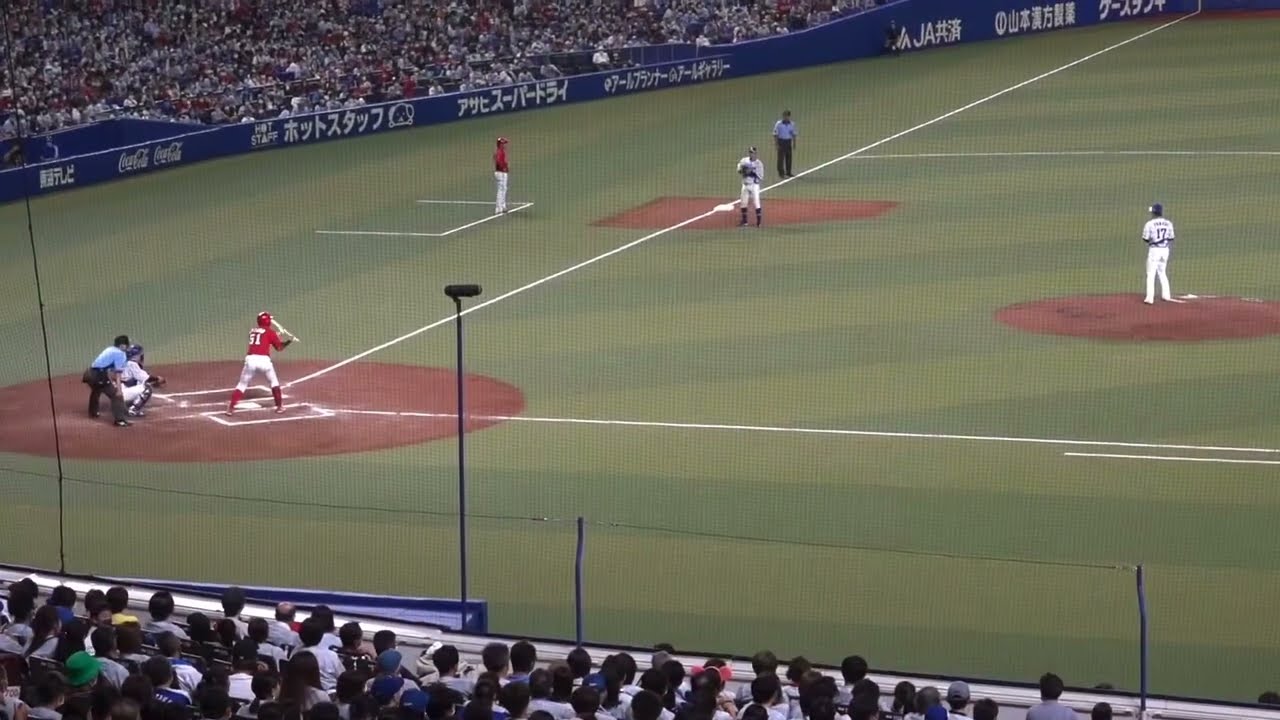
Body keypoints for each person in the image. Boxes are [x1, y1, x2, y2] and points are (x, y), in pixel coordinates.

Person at [226, 312, 294, 415]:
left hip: (250, 360)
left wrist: (275, 335)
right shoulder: (270, 332)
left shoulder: (252, 331)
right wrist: (289, 341)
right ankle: (279, 407)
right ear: (267, 321)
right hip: (264, 361)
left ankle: (230, 408)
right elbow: (279, 348)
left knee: (242, 384)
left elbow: (262, 338)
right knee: (274, 382)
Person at [83, 335, 133, 427]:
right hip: (98, 376)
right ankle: (120, 420)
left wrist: (109, 380)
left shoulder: (110, 349)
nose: (128, 346)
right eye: (126, 344)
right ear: (122, 346)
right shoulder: (120, 354)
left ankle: (93, 412)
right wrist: (119, 390)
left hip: (89, 374)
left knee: (96, 391)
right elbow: (118, 374)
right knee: (115, 396)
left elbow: (106, 368)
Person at [1141, 202, 1176, 305]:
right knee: (1162, 272)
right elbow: (1171, 238)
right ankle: (1166, 295)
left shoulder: (1149, 224)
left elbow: (1145, 238)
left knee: (1151, 273)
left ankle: (1149, 298)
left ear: (1154, 213)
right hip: (1165, 250)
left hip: (1154, 250)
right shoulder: (1168, 223)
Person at [120, 345, 166, 418]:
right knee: (146, 389)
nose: (141, 356)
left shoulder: (124, 362)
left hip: (120, 391)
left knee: (140, 383)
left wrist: (154, 382)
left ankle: (125, 405)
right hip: (123, 393)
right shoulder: (132, 364)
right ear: (135, 356)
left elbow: (140, 379)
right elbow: (147, 378)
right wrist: (158, 379)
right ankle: (133, 410)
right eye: (140, 354)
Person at [736, 147, 764, 227]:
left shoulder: (759, 164)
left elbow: (761, 176)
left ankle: (759, 222)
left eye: (753, 153)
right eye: (750, 152)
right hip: (745, 185)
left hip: (754, 186)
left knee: (756, 203)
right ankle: (745, 222)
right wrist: (743, 170)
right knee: (743, 203)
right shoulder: (744, 160)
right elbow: (739, 169)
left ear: (755, 153)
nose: (751, 154)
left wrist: (751, 172)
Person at [772, 112, 796, 178]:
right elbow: (775, 134)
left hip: (788, 141)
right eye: (785, 116)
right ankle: (781, 173)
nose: (786, 117)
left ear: (789, 116)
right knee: (780, 158)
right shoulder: (778, 124)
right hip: (781, 142)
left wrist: (794, 143)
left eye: (787, 116)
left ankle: (788, 172)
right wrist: (776, 144)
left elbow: (794, 134)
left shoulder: (792, 124)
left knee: (789, 158)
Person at [494, 137, 510, 215]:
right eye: (503, 143)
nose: (504, 145)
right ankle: (498, 208)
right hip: (501, 173)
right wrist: (503, 167)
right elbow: (498, 160)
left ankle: (503, 206)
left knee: (504, 189)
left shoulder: (501, 151)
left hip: (502, 172)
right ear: (500, 144)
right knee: (501, 190)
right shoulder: (499, 151)